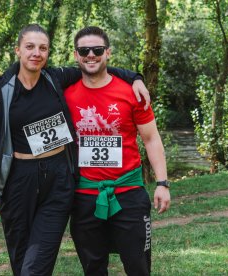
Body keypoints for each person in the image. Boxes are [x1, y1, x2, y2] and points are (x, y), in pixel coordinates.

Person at [0, 24, 151, 276]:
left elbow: (95, 66)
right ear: (18, 50)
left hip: (58, 180)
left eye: (43, 48)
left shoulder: (55, 78)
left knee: (37, 265)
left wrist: (134, 77)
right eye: (30, 47)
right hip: (19, 180)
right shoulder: (4, 90)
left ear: (48, 53)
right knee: (21, 260)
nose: (36, 53)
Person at [64, 26, 171, 276]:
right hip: (84, 195)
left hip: (129, 193)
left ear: (108, 53)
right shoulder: (65, 95)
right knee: (93, 268)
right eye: (84, 50)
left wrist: (162, 183)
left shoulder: (132, 92)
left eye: (97, 50)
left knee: (138, 267)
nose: (91, 55)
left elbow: (151, 138)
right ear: (76, 55)